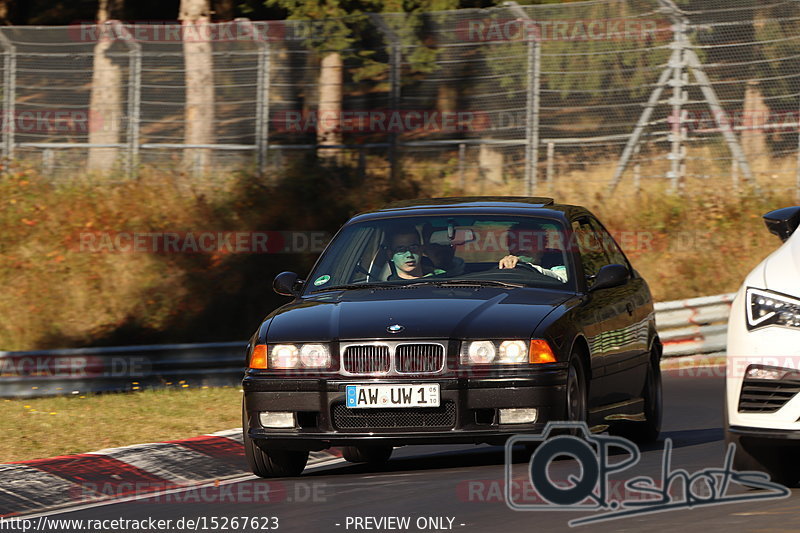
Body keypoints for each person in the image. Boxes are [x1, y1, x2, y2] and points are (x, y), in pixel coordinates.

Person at [498, 223, 568, 282]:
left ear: (543, 246)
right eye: (516, 244)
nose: (522, 249)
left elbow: (562, 278)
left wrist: (526, 265)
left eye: (529, 244)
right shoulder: (502, 266)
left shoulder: (559, 260)